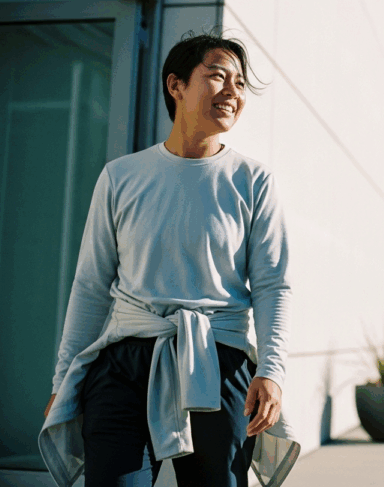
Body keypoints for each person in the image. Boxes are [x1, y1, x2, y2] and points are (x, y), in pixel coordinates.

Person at [39, 31, 300, 487]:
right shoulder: (120, 177)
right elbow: (90, 286)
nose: (233, 93)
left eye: (240, 83)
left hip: (219, 368)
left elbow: (273, 284)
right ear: (176, 85)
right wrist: (64, 382)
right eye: (218, 76)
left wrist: (272, 371)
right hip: (123, 368)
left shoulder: (253, 180)